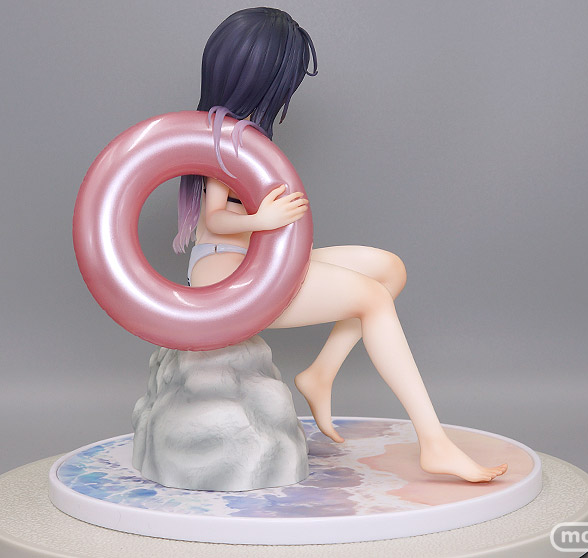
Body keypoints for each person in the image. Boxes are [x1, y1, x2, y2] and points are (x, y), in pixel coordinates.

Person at [174, 7, 507, 482]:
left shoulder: (241, 129)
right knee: (371, 299)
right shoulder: (222, 134)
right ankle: (434, 443)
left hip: (253, 258)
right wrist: (263, 219)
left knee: (388, 270)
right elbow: (214, 217)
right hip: (225, 270)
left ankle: (320, 374)